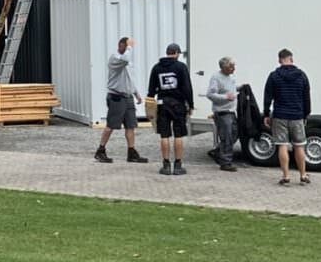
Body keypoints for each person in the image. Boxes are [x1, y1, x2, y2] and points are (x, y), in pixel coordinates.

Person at [94, 36, 148, 164]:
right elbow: (125, 59)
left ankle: (131, 152)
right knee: (111, 125)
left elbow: (129, 79)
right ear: (121, 45)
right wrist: (129, 47)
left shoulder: (126, 62)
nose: (129, 48)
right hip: (116, 97)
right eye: (127, 45)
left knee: (130, 125)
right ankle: (100, 150)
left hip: (128, 97)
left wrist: (136, 93)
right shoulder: (115, 58)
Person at [263, 48, 312, 185]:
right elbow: (306, 97)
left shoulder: (274, 76)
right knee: (299, 146)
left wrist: (266, 114)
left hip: (280, 115)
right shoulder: (302, 75)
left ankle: (286, 176)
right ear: (292, 59)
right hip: (297, 115)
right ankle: (303, 175)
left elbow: (268, 96)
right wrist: (306, 114)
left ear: (279, 60)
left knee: (282, 146)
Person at [147, 43, 195, 176]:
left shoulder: (156, 68)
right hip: (178, 104)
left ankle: (166, 165)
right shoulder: (181, 67)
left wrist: (150, 107)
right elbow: (187, 88)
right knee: (178, 135)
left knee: (164, 135)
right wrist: (190, 104)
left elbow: (151, 90)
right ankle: (178, 165)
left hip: (162, 104)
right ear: (176, 53)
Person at [206, 56, 240, 171]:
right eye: (231, 67)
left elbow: (230, 89)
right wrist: (226, 97)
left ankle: (217, 152)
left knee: (234, 134)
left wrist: (240, 88)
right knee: (227, 137)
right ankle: (225, 163)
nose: (234, 69)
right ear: (224, 67)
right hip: (222, 112)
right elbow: (210, 94)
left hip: (231, 111)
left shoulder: (230, 77)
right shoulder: (216, 77)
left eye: (234, 66)